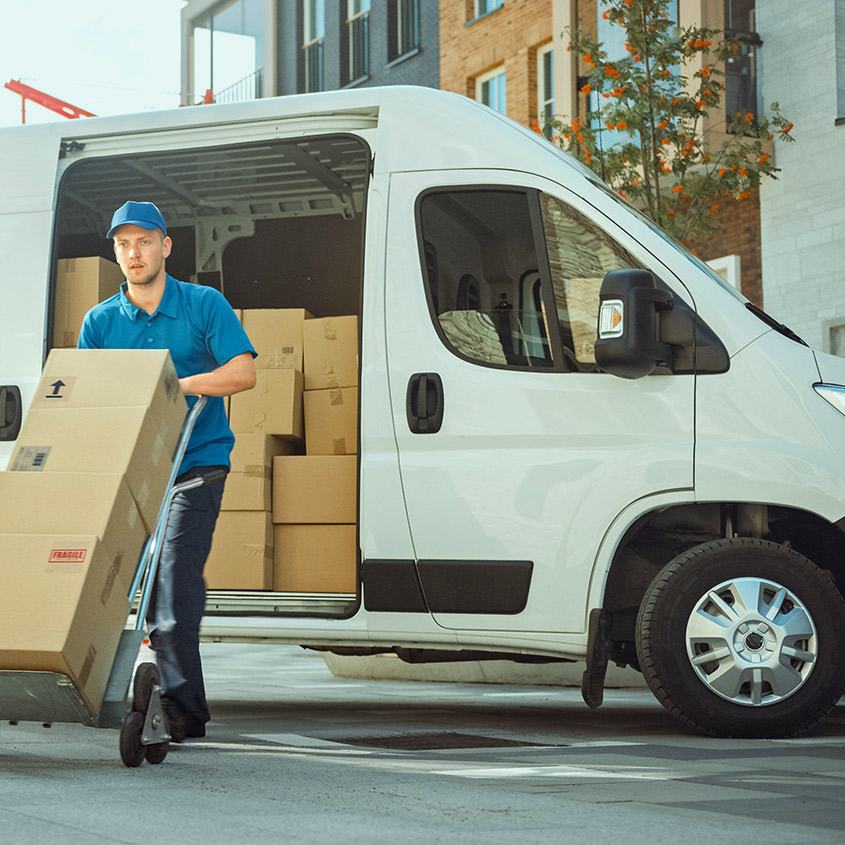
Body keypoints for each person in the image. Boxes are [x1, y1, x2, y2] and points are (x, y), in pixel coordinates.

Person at [78, 200, 256, 741]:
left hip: (195, 466)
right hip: (132, 472)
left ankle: (183, 711)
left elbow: (243, 373)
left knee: (173, 586)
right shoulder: (101, 321)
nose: (134, 253)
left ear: (165, 246)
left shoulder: (204, 304)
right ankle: (84, 683)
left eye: (144, 241)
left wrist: (175, 387)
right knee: (98, 581)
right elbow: (89, 396)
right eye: (124, 244)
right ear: (116, 252)